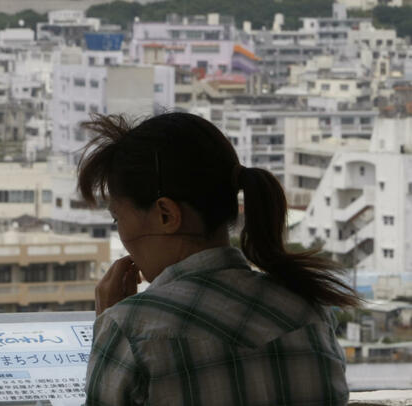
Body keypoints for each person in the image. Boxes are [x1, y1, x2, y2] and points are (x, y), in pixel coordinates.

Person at [80, 112, 358, 406]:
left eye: (117, 218)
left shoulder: (129, 329)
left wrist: (110, 327)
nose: (121, 234)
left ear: (166, 215)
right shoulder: (309, 313)